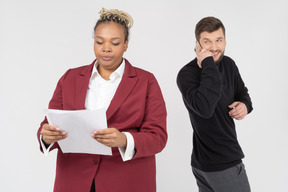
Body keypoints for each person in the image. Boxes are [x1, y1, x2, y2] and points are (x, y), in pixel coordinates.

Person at [37, 8, 167, 192]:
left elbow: (158, 137)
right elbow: (48, 123)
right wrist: (46, 137)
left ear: (126, 44)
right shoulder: (70, 78)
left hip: (126, 181)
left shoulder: (146, 81)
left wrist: (123, 139)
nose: (106, 48)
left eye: (115, 43)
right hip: (74, 180)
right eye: (99, 42)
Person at [176, 16, 253, 192]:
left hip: (213, 162)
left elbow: (242, 92)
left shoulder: (229, 64)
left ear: (225, 40)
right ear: (198, 44)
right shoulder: (186, 75)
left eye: (218, 40)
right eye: (207, 42)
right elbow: (205, 108)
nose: (214, 47)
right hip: (220, 163)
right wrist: (208, 64)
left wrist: (244, 105)